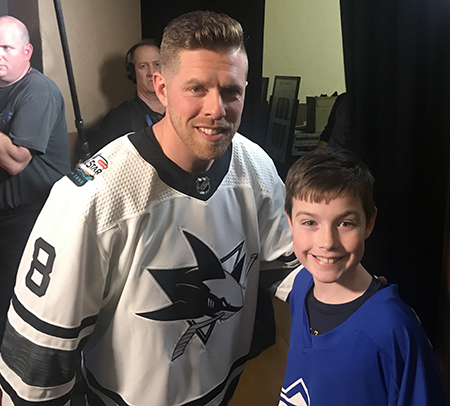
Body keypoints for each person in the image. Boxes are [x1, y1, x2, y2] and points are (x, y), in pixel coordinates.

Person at [0, 11, 300, 406]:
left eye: (231, 91)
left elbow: (289, 265)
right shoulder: (90, 199)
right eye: (196, 88)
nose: (217, 109)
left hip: (228, 389)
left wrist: (357, 304)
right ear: (161, 87)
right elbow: (37, 362)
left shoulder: (255, 165)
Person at [279, 148, 448, 405]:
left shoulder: (393, 328)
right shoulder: (302, 284)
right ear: (290, 221)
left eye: (345, 223)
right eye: (309, 223)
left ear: (369, 222)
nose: (327, 242)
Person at [0, 16, 69, 342]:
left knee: (15, 302)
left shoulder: (37, 90)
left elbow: (15, 160)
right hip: (6, 214)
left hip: (32, 216)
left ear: (26, 51)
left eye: (6, 48)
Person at [95, 39, 165, 151]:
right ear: (132, 73)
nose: (151, 72)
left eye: (157, 64)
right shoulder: (117, 118)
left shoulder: (181, 110)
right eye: (143, 66)